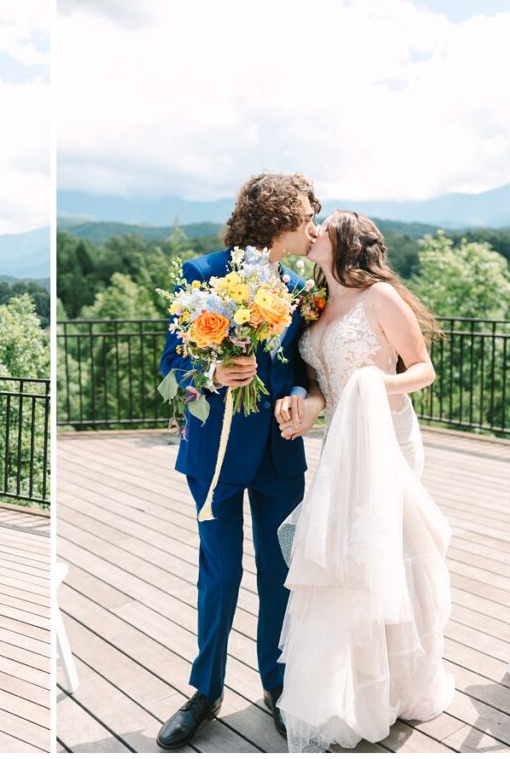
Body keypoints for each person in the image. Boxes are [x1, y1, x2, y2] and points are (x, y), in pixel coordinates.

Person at [156, 172, 326, 750]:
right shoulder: (203, 274)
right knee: (220, 575)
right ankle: (206, 691)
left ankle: (277, 686)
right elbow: (167, 372)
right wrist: (211, 374)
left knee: (281, 576)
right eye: (308, 212)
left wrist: (303, 401)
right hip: (216, 454)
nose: (314, 223)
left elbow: (301, 374)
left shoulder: (301, 288)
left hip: (280, 454)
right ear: (281, 216)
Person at [275, 210, 454, 751]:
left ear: (343, 242)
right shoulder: (316, 302)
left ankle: (400, 686)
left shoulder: (380, 297)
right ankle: (353, 685)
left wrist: (379, 381)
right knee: (347, 562)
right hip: (339, 445)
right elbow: (321, 382)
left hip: (389, 441)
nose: (314, 232)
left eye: (323, 227)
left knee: (388, 557)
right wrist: (308, 406)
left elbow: (422, 369)